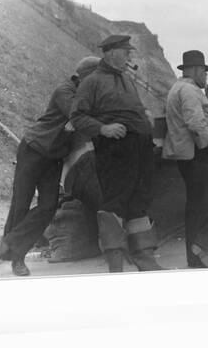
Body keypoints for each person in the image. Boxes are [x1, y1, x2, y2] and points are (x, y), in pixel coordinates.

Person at [0, 56, 101, 277]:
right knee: (21, 203)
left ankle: (4, 244)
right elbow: (79, 117)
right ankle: (16, 259)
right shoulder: (64, 91)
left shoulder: (83, 94)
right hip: (34, 150)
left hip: (54, 156)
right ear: (86, 76)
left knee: (48, 207)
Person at [70, 34, 163, 272]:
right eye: (126, 51)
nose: (130, 55)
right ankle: (115, 263)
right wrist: (103, 128)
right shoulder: (92, 81)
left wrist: (145, 115)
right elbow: (77, 116)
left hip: (140, 147)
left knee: (140, 201)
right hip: (115, 150)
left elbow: (133, 106)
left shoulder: (126, 79)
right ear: (111, 53)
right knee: (115, 203)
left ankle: (144, 257)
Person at [163, 50, 208, 269]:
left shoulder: (179, 88)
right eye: (204, 72)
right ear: (196, 70)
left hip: (190, 153)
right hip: (199, 154)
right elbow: (195, 122)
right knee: (207, 202)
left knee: (200, 203)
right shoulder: (189, 90)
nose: (206, 76)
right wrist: (207, 142)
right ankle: (200, 248)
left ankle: (197, 254)